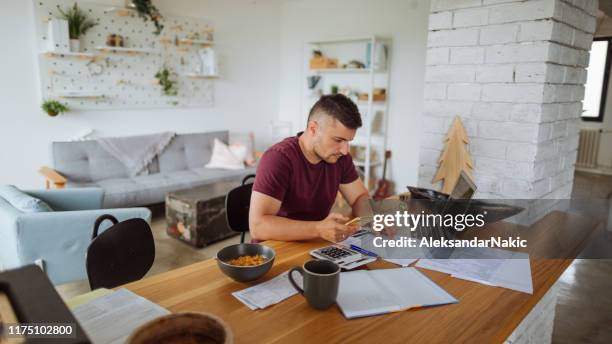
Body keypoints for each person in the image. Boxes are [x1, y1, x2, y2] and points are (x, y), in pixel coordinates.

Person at [249, 94, 373, 242]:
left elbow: (359, 197)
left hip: (315, 243)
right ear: (313, 128)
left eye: (348, 141)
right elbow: (258, 227)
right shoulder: (279, 158)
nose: (345, 150)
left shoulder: (340, 157)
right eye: (338, 140)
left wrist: (372, 218)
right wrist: (318, 229)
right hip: (276, 250)